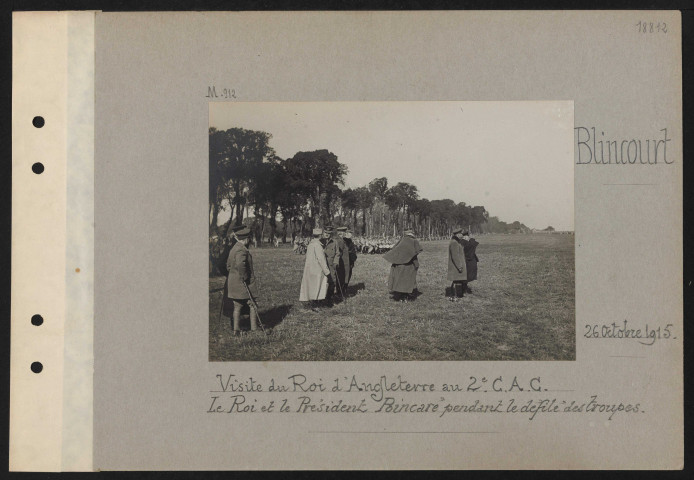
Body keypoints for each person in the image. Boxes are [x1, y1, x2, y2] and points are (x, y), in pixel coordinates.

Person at [225, 226, 258, 336]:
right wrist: (244, 277)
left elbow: (228, 266)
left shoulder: (234, 247)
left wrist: (234, 274)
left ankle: (236, 330)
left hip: (233, 283)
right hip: (242, 283)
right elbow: (240, 264)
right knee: (252, 304)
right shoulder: (241, 249)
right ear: (246, 239)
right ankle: (254, 329)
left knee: (237, 306)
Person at [382, 229, 423, 302]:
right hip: (408, 265)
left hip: (397, 264)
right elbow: (413, 255)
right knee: (407, 280)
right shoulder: (413, 241)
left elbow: (394, 249)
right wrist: (416, 264)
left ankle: (399, 295)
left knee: (398, 280)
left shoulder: (401, 240)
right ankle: (405, 296)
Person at [299, 228, 332, 310]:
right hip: (317, 269)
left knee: (311, 286)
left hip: (310, 268)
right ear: (320, 236)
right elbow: (321, 259)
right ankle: (316, 305)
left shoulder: (311, 244)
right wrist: (327, 272)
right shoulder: (318, 245)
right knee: (317, 286)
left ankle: (312, 303)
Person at [447, 228, 467, 301]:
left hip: (457, 266)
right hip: (456, 266)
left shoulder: (456, 242)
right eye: (461, 234)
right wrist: (459, 266)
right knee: (456, 281)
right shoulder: (454, 243)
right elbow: (455, 256)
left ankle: (453, 296)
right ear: (457, 234)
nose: (462, 235)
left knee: (456, 280)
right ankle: (455, 297)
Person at [322, 226, 340, 301]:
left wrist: (336, 262)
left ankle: (329, 297)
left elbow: (337, 253)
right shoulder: (320, 241)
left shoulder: (334, 242)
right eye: (325, 232)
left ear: (331, 234)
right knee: (321, 281)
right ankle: (320, 298)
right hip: (321, 265)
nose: (327, 234)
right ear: (323, 232)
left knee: (332, 281)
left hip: (331, 264)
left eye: (329, 233)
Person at [336, 226, 350, 291]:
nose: (346, 233)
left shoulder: (342, 240)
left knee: (343, 278)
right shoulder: (340, 241)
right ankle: (339, 293)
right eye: (345, 232)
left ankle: (340, 291)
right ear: (341, 233)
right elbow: (339, 253)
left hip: (345, 262)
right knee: (341, 277)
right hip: (342, 263)